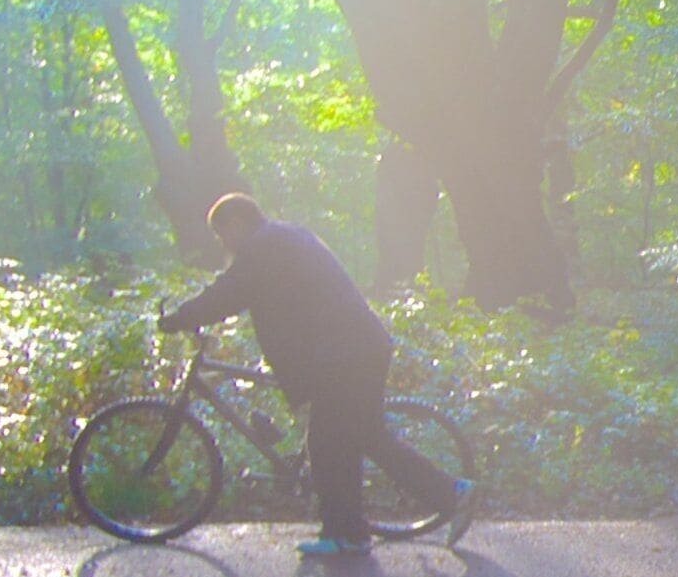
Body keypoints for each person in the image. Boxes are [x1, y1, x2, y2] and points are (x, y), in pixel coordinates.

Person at [160, 192, 470, 557]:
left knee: (327, 443)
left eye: (221, 233)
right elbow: (239, 294)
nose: (223, 243)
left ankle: (348, 533)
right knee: (364, 437)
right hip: (355, 348)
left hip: (343, 355)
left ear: (236, 223)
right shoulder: (282, 236)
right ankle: (448, 496)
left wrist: (180, 317)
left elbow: (227, 294)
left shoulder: (264, 247)